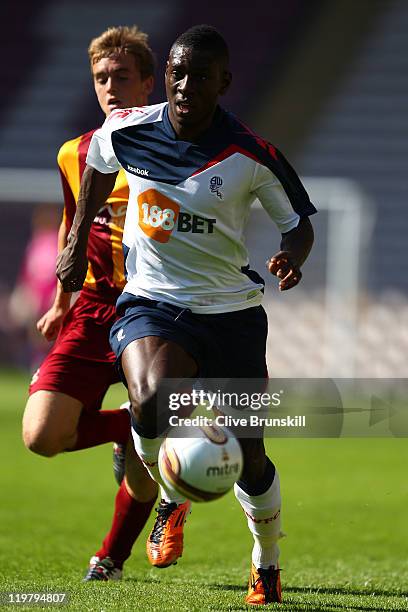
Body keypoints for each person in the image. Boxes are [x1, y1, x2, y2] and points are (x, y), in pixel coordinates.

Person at [57, 24, 316, 605]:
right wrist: (75, 244)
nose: (185, 84)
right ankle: (171, 497)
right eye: (177, 72)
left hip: (232, 312)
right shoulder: (127, 128)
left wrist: (291, 257)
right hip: (153, 300)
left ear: (223, 82)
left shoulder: (252, 155)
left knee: (249, 455)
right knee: (151, 399)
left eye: (200, 75)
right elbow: (97, 165)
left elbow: (298, 221)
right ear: (165, 76)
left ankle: (266, 562)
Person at [22, 25, 158, 581]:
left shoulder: (173, 148)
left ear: (148, 83)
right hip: (95, 307)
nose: (110, 86)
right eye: (101, 77)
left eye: (122, 76)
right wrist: (62, 297)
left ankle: (111, 558)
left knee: (154, 456)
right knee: (41, 436)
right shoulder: (74, 153)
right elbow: (70, 221)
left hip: (155, 312)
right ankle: (128, 427)